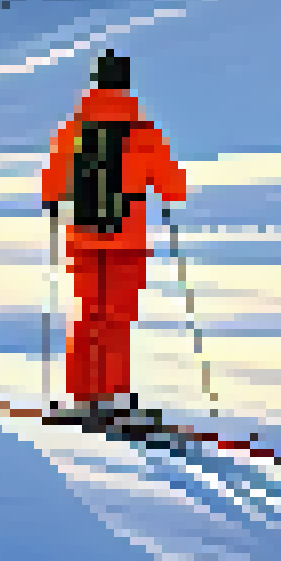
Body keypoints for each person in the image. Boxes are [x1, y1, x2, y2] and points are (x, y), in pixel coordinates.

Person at [41, 49, 187, 424]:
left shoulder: (74, 130)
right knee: (116, 321)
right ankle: (114, 397)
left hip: (83, 239)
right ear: (125, 84)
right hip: (127, 242)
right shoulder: (142, 130)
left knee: (88, 317)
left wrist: (57, 207)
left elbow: (52, 186)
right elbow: (174, 187)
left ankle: (83, 396)